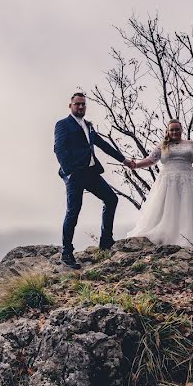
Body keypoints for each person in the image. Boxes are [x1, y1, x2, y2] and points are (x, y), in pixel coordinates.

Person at [54, 92, 135, 269]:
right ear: (70, 106)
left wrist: (124, 160)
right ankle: (66, 253)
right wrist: (70, 173)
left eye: (83, 104)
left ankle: (106, 241)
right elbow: (59, 149)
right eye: (77, 104)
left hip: (91, 173)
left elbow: (103, 145)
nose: (80, 107)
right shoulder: (63, 124)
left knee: (111, 199)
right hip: (75, 175)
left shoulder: (88, 126)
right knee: (73, 212)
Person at [126, 119, 193, 247]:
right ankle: (166, 236)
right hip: (167, 181)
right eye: (172, 130)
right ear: (168, 131)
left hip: (187, 180)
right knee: (167, 208)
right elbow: (151, 160)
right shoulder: (163, 145)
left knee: (187, 208)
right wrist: (136, 165)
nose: (174, 132)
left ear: (181, 130)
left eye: (177, 129)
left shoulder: (191, 144)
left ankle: (188, 237)